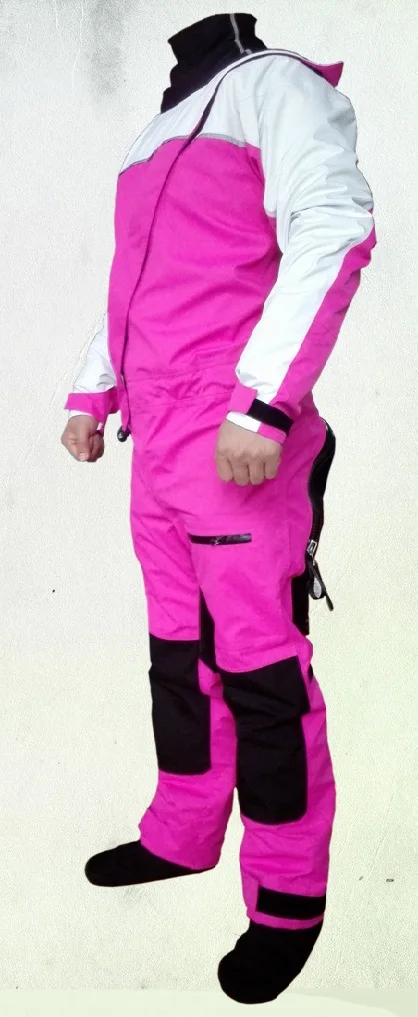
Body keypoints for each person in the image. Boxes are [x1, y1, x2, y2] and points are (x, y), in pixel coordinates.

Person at [61, 12, 376, 1005]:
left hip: (235, 436)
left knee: (260, 670)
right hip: (156, 438)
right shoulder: (157, 128)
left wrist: (266, 403)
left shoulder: (272, 86)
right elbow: (136, 283)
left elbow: (332, 224)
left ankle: (286, 901)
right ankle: (182, 831)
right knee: (176, 653)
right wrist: (93, 387)